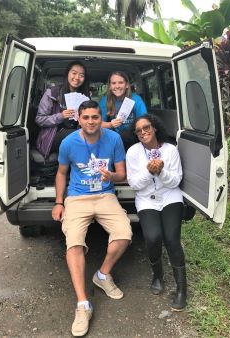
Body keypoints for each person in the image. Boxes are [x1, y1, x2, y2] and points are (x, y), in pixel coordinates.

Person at [52, 100, 132, 337]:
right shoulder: (68, 142)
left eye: (95, 117)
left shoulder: (114, 139)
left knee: (124, 234)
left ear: (101, 118)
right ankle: (82, 305)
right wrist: (58, 202)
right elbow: (61, 173)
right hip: (77, 198)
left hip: (105, 194)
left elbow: (121, 174)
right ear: (79, 118)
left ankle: (102, 275)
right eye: (86, 117)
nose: (90, 121)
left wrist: (112, 176)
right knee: (74, 242)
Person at [125, 114, 187, 311]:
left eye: (147, 127)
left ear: (155, 128)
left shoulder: (170, 150)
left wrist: (161, 172)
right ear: (135, 134)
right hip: (146, 199)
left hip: (170, 196)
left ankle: (181, 289)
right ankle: (158, 275)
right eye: (139, 130)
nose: (143, 132)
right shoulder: (133, 153)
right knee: (153, 237)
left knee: (171, 239)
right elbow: (134, 184)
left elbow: (176, 181)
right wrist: (149, 171)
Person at [35, 61, 90, 158]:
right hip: (52, 137)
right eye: (74, 73)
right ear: (67, 74)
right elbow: (39, 119)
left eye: (81, 75)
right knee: (78, 137)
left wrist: (82, 120)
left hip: (76, 133)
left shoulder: (84, 97)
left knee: (90, 135)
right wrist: (61, 116)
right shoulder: (52, 93)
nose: (77, 78)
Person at [99, 71, 147, 149]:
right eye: (114, 83)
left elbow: (144, 120)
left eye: (120, 82)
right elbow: (97, 124)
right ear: (110, 86)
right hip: (113, 139)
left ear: (127, 85)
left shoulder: (136, 99)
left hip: (134, 137)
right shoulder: (105, 101)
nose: (117, 86)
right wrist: (110, 125)